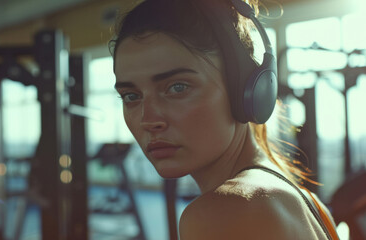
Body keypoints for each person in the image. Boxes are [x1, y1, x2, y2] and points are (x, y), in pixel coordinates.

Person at [109, 0, 340, 239]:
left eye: (177, 87)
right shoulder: (311, 205)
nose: (149, 120)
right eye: (131, 96)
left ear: (243, 90)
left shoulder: (226, 211)